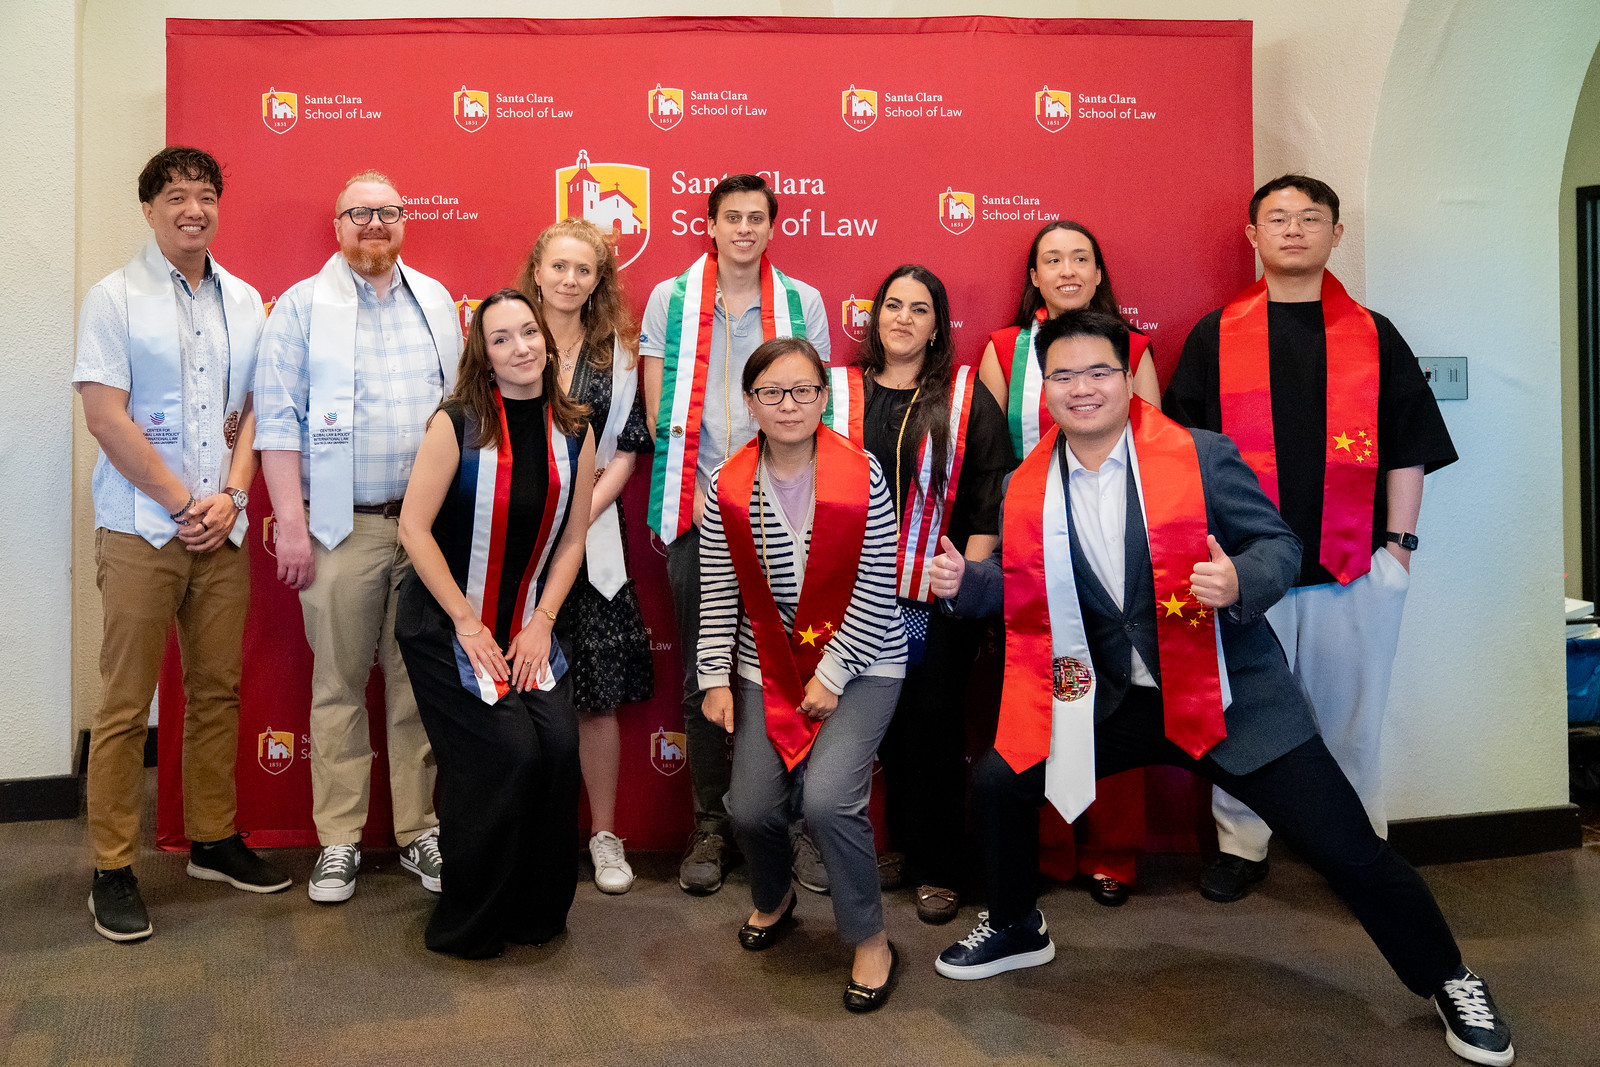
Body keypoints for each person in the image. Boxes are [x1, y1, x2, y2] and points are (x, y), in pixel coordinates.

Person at [929, 310, 1512, 1067]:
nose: (1083, 388)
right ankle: (1016, 924)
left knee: (1348, 847)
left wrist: (1238, 579)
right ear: (1048, 390)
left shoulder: (1198, 456)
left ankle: (1450, 976)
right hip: (1115, 698)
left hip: (1232, 692)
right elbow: (1023, 590)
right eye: (1065, 375)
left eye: (1099, 372)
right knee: (1001, 778)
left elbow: (1280, 544)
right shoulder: (1024, 485)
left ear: (1127, 377)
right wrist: (964, 583)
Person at [1163, 174, 1458, 904]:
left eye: (1310, 218)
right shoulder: (1214, 334)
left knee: (1352, 711)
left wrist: (1400, 547)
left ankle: (1354, 846)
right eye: (1277, 218)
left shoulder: (1374, 334)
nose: (1294, 230)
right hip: (1242, 570)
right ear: (1252, 235)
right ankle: (1242, 843)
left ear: (1335, 234)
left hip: (1351, 565)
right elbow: (1179, 453)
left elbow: (1407, 447)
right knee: (1241, 711)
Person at [74, 145, 290, 941]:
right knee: (127, 704)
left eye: (205, 194)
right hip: (140, 526)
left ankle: (213, 838)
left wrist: (232, 496)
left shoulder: (246, 299)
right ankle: (112, 866)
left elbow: (259, 406)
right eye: (175, 196)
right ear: (149, 208)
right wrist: (179, 500)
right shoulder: (114, 297)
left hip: (221, 528)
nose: (192, 208)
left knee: (216, 693)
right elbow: (105, 414)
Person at [255, 170, 462, 903]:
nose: (374, 223)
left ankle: (418, 830)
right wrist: (292, 522)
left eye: (387, 212)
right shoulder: (304, 308)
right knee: (339, 683)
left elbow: (459, 413)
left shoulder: (436, 300)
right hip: (340, 525)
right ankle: (339, 839)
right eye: (359, 213)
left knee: (417, 683)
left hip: (426, 528)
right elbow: (277, 424)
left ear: (404, 220)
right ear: (337, 224)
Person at [698, 338, 905, 1011]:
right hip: (770, 665)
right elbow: (719, 589)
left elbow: (879, 589)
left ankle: (870, 937)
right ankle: (774, 894)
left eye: (803, 391)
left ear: (824, 396)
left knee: (827, 800)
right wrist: (713, 676)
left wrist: (836, 672)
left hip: (866, 658)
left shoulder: (862, 473)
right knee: (753, 806)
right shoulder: (726, 484)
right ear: (750, 401)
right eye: (772, 392)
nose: (789, 405)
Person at [641, 173, 832, 895]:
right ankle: (713, 825)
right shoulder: (671, 299)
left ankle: (794, 826)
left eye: (757, 217)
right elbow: (663, 410)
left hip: (785, 501)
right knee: (704, 671)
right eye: (732, 217)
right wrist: (693, 494)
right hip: (700, 507)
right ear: (711, 226)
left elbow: (812, 401)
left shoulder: (802, 303)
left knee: (795, 670)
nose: (745, 228)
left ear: (771, 227)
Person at [394, 288, 595, 957]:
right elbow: (414, 529)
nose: (521, 347)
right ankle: (470, 921)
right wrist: (467, 622)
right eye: (503, 337)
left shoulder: (576, 428)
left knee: (559, 750)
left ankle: (535, 913)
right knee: (507, 755)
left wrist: (541, 622)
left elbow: (572, 540)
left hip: (528, 627)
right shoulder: (457, 423)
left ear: (547, 337)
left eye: (529, 332)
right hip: (447, 625)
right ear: (483, 353)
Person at [975, 219, 1160, 905]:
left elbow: (1156, 452)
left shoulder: (1131, 346)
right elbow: (991, 458)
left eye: (1081, 256)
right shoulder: (1002, 349)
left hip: (1114, 549)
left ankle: (1112, 852)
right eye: (1052, 259)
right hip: (1034, 547)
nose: (1067, 268)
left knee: (1119, 696)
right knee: (1041, 696)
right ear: (1034, 276)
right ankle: (1050, 847)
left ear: (1098, 268)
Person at [820, 265, 1012, 924]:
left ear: (938, 324)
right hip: (853, 597)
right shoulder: (839, 393)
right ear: (874, 318)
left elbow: (990, 490)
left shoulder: (962, 395)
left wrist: (969, 581)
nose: (903, 317)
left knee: (933, 725)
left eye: (919, 308)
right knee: (882, 727)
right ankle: (900, 843)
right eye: (892, 305)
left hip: (934, 597)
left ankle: (939, 864)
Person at [518, 219, 654, 895]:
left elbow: (628, 447)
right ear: (538, 268)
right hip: (517, 541)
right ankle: (529, 828)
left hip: (595, 538)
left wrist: (579, 512)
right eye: (560, 266)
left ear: (599, 281)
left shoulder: (619, 354)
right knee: (520, 690)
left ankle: (604, 833)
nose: (571, 279)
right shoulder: (507, 335)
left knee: (596, 700)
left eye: (585, 270)